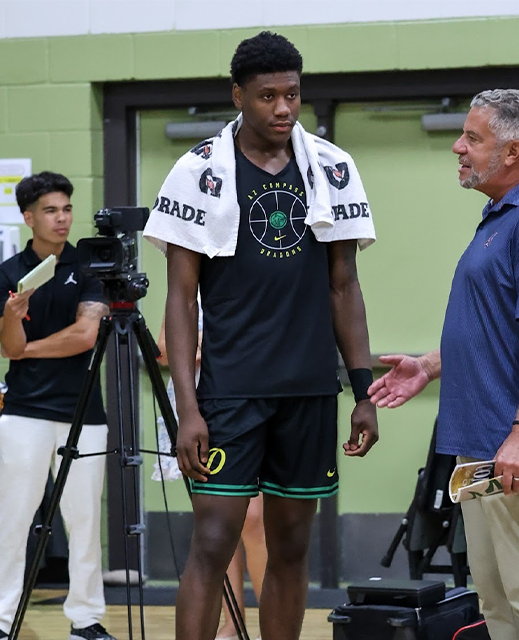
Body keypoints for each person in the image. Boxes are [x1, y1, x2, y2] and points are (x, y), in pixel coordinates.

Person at [142, 31, 379, 640]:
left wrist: (363, 392)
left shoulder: (331, 166)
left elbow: (344, 287)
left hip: (307, 391)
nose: (283, 108)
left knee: (292, 548)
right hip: (230, 393)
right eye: (268, 95)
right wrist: (186, 407)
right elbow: (179, 299)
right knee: (213, 543)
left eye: (293, 94)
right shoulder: (198, 173)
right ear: (238, 96)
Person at [369, 89, 519, 640]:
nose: (457, 147)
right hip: (484, 442)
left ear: (512, 152)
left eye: (472, 138)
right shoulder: (503, 214)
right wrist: (428, 365)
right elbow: (498, 329)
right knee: (497, 599)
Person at [0, 171, 116, 640]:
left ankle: (86, 620)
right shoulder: (7, 275)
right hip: (24, 415)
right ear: (28, 217)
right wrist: (13, 323)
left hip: (83, 414)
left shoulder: (91, 266)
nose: (62, 218)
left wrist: (23, 348)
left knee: (84, 521)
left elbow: (86, 334)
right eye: (51, 211)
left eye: (67, 209)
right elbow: (9, 342)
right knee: (13, 519)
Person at [154, 316, 267, 640]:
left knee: (255, 519)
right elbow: (165, 348)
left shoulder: (254, 278)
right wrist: (215, 340)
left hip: (251, 403)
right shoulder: (192, 282)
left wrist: (199, 341)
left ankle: (273, 624)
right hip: (202, 408)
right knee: (220, 521)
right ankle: (233, 622)